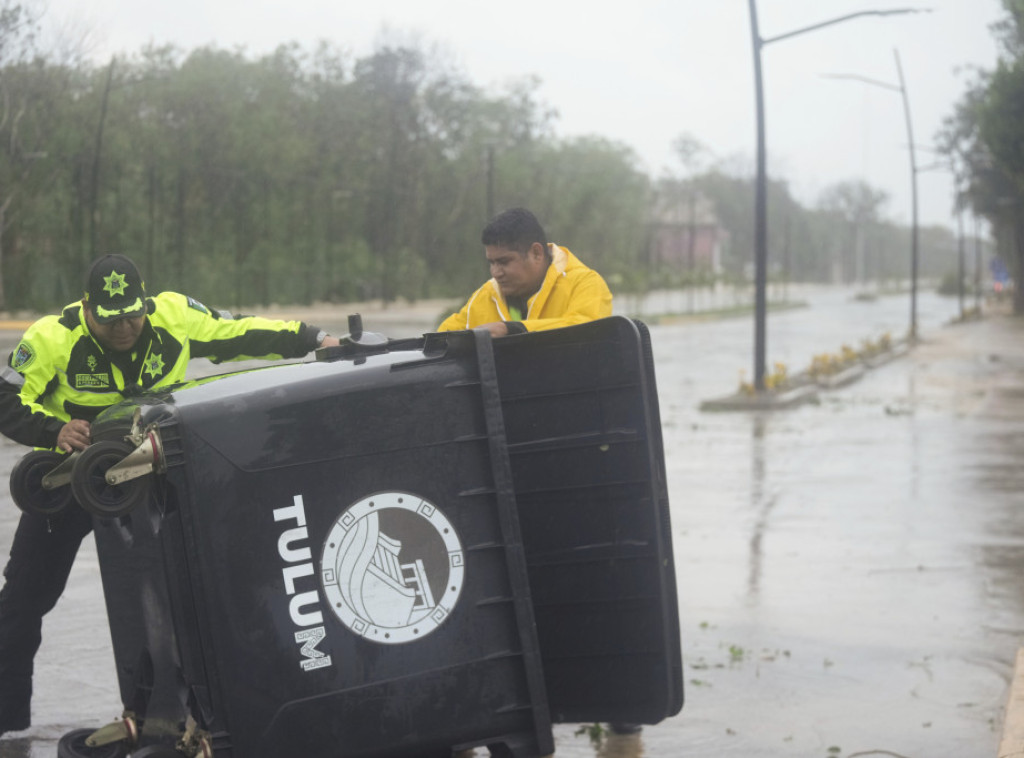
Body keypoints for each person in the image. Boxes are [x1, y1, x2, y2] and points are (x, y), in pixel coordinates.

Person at [0, 253, 340, 738]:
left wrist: (313, 339)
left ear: (145, 303)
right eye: (112, 320)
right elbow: (2, 396)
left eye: (133, 316)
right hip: (72, 477)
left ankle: (192, 723)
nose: (125, 329)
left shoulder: (175, 315)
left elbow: (242, 333)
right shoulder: (52, 336)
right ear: (88, 309)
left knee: (183, 598)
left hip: (148, 473)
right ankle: (9, 727)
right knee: (22, 602)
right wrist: (52, 429)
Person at [437, 207, 612, 336]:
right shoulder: (486, 295)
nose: (495, 273)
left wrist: (511, 330)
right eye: (491, 263)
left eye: (504, 262)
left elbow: (587, 331)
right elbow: (442, 339)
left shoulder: (586, 284)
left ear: (536, 253)